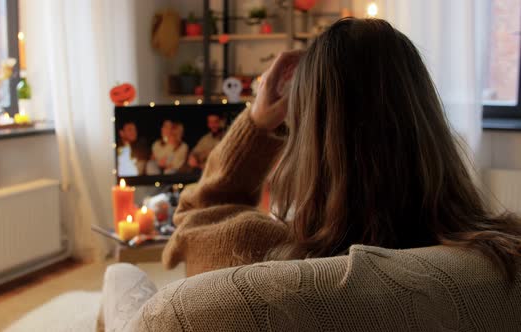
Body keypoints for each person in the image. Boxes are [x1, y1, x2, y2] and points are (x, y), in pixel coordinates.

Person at [162, 18, 521, 279]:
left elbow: (196, 216)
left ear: (309, 137)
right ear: (425, 118)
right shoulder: (505, 254)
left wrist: (255, 121)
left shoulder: (260, 255)